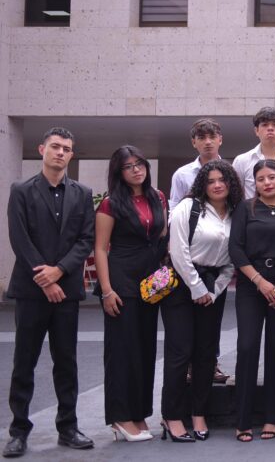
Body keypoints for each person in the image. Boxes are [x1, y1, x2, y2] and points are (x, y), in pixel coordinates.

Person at [4, 128, 96, 457]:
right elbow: (19, 237)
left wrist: (59, 271)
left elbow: (85, 239)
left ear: (72, 155)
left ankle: (68, 426)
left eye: (66, 149)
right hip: (31, 291)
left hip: (67, 290)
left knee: (66, 362)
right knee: (23, 362)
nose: (60, 152)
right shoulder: (21, 191)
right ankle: (18, 431)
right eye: (55, 147)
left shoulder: (83, 193)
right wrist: (45, 278)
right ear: (42, 149)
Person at [161, 160, 241, 443]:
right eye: (211, 181)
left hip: (214, 288)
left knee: (206, 354)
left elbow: (235, 256)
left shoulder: (235, 213)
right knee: (180, 352)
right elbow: (178, 250)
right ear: (202, 185)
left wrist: (216, 289)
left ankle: (198, 413)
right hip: (183, 286)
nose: (217, 185)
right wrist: (196, 288)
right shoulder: (188, 207)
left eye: (223, 180)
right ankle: (171, 416)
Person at [94, 146, 168, 443]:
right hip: (121, 282)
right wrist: (106, 290)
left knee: (145, 351)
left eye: (140, 164)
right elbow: (100, 249)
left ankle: (139, 413)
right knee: (122, 352)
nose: (136, 170)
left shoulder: (158, 197)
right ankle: (120, 417)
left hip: (151, 283)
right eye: (129, 166)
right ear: (119, 172)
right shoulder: (110, 204)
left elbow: (162, 236)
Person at [228, 160, 275, 442]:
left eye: (272, 177)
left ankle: (273, 417)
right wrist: (259, 281)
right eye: (260, 179)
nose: (267, 182)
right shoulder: (246, 209)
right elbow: (236, 248)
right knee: (247, 347)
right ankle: (242, 419)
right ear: (254, 183)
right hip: (251, 284)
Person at [170, 118, 223, 209]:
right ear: (194, 142)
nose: (208, 142)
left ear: (220, 140)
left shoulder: (233, 171)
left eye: (212, 137)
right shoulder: (181, 175)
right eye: (202, 138)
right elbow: (174, 210)